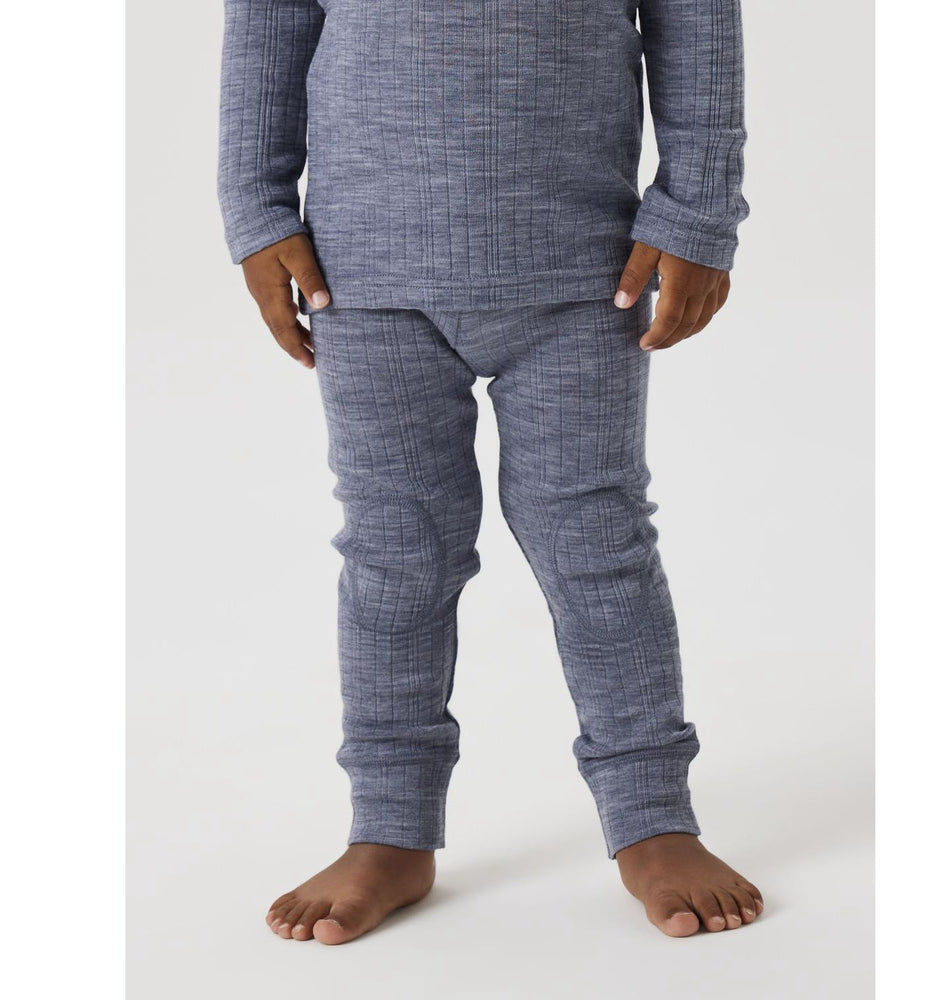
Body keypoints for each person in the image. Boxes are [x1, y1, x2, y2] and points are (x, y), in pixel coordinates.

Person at [218, 0, 763, 943]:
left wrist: (701, 212)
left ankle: (652, 816)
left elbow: (696, 20)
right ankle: (390, 826)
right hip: (360, 275)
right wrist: (256, 210)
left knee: (595, 543)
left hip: (588, 271)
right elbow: (269, 22)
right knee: (396, 555)